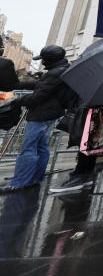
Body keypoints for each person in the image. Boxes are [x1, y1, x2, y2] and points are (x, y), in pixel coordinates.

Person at [0, 46, 72, 194]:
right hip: (50, 114)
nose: (43, 62)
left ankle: (19, 183)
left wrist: (17, 101)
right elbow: (43, 86)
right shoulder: (61, 69)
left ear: (50, 59)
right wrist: (22, 84)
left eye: (43, 59)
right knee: (41, 147)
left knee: (28, 148)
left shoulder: (55, 73)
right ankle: (34, 179)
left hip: (42, 114)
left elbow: (39, 96)